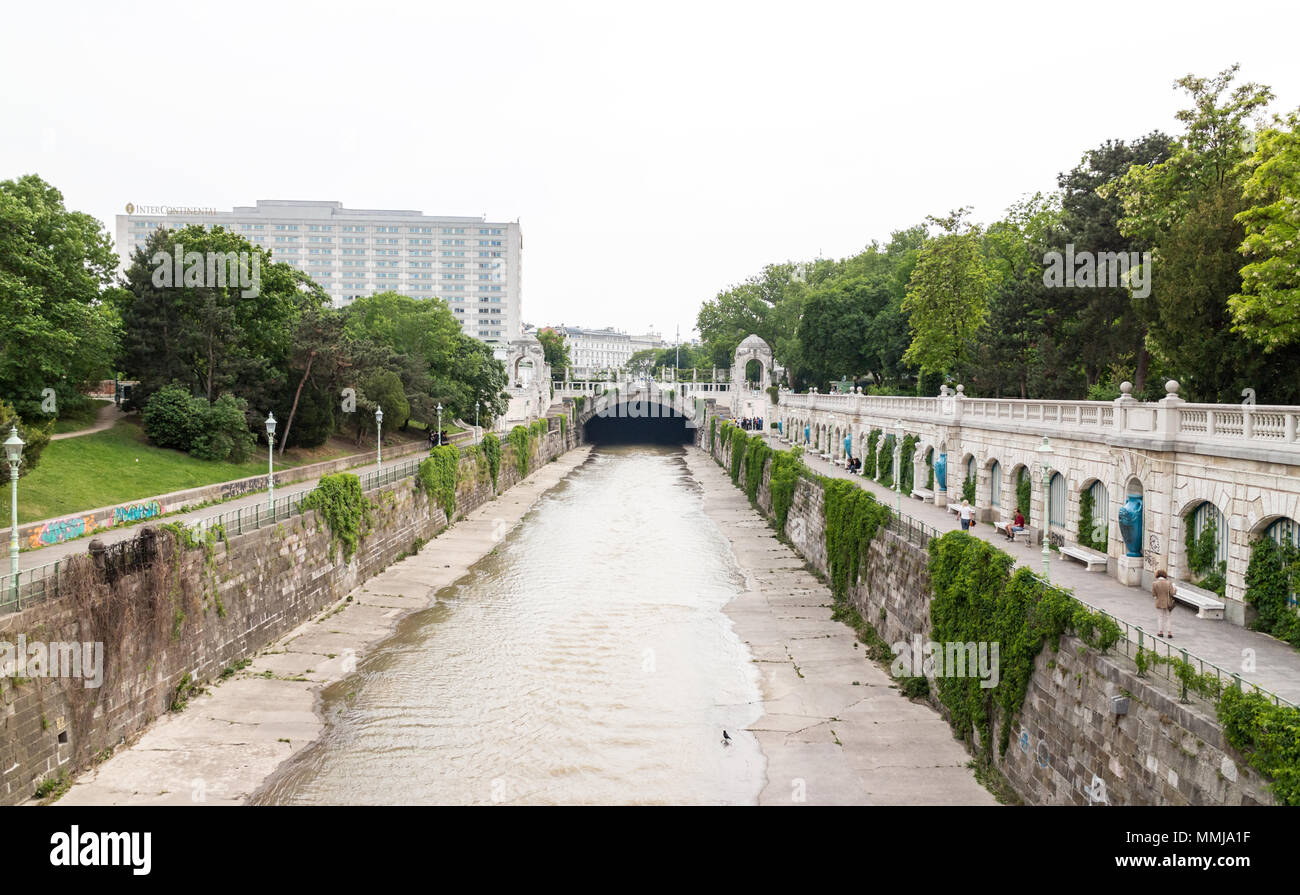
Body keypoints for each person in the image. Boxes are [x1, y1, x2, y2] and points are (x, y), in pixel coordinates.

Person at [1153, 569, 1177, 639]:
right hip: (1168, 603)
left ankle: (1160, 632)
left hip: (1159, 602)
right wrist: (1175, 588)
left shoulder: (1154, 583)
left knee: (1160, 617)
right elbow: (1172, 593)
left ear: (1157, 575)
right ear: (1164, 575)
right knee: (1168, 618)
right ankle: (1169, 633)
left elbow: (1154, 594)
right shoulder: (1169, 583)